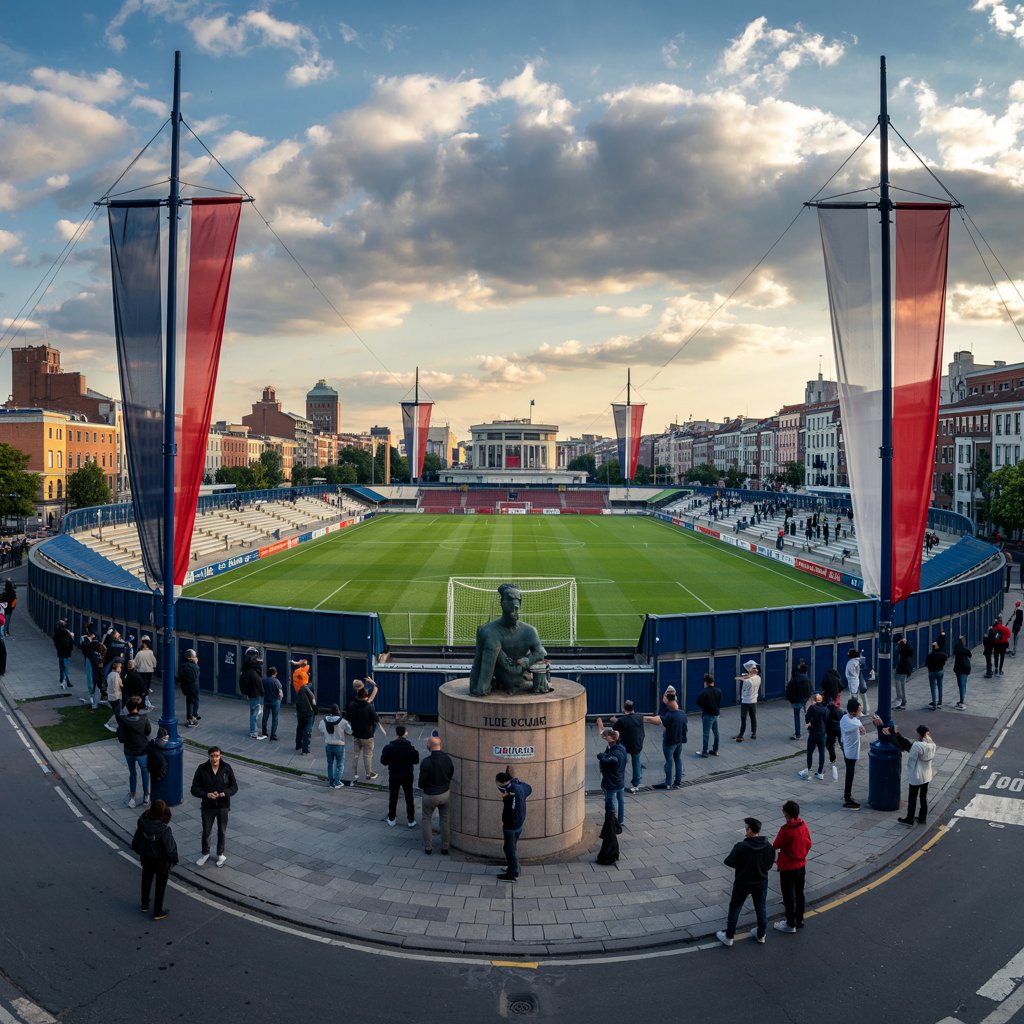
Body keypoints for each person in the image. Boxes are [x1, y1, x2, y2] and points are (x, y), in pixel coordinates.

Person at [469, 584, 548, 696]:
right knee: (491, 638)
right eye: (510, 599)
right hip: (500, 677)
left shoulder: (529, 631)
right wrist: (473, 687)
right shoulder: (487, 630)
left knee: (491, 637)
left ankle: (483, 688)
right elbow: (477, 662)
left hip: (519, 677)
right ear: (502, 603)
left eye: (518, 600)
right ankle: (483, 687)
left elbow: (541, 652)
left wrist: (527, 661)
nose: (515, 604)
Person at [716, 816, 776, 947]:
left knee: (735, 908)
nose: (745, 829)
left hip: (742, 883)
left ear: (749, 830)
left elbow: (729, 861)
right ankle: (761, 934)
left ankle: (729, 937)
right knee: (760, 907)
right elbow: (770, 863)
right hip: (761, 882)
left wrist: (743, 865)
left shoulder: (741, 846)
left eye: (746, 827)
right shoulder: (768, 846)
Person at [131, 798, 178, 921]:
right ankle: (158, 911)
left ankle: (145, 904)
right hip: (161, 862)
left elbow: (136, 840)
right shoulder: (164, 829)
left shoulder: (143, 822)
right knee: (160, 885)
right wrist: (174, 859)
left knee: (146, 879)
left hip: (146, 857)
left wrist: (139, 850)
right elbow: (170, 848)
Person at [190, 746, 238, 867]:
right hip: (208, 806)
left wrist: (224, 793)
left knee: (222, 831)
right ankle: (205, 853)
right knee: (206, 831)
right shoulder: (202, 769)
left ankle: (220, 853)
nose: (215, 758)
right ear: (209, 756)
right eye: (212, 756)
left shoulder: (226, 768)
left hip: (223, 806)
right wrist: (206, 795)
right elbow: (194, 789)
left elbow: (234, 786)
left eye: (217, 756)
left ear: (220, 755)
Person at [772, 800, 812, 933]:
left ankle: (790, 924)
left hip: (788, 868)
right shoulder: (803, 825)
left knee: (788, 897)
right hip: (801, 866)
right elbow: (809, 843)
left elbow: (776, 844)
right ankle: (799, 920)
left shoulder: (785, 830)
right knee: (800, 894)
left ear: (787, 814)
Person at [418, 734, 455, 855]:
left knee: (426, 818)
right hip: (445, 793)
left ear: (429, 746)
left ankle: (428, 847)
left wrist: (426, 788)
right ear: (440, 745)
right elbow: (450, 774)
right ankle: (445, 847)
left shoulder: (426, 762)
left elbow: (421, 782)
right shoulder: (447, 759)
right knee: (444, 819)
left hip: (430, 795)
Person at [643, 695, 687, 789]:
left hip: (670, 742)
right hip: (679, 742)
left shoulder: (669, 715)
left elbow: (661, 722)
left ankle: (668, 783)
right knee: (678, 760)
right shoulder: (682, 713)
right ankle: (678, 782)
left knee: (669, 762)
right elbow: (685, 728)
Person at [380, 724, 419, 828]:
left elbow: (383, 761)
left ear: (396, 733)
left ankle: (392, 819)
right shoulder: (410, 747)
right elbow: (416, 761)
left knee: (393, 797)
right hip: (407, 775)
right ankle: (411, 820)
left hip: (394, 775)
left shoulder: (389, 747)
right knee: (409, 797)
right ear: (405, 733)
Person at [496, 771, 531, 882]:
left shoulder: (509, 795)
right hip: (519, 824)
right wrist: (516, 781)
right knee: (513, 847)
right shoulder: (519, 788)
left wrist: (505, 798)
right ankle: (513, 867)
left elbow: (510, 808)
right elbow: (529, 788)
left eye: (498, 783)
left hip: (510, 827)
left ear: (504, 782)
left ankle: (513, 873)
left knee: (509, 849)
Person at [117, 695, 152, 808]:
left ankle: (132, 797)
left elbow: (121, 738)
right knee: (145, 771)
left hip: (129, 750)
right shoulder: (144, 718)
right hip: (142, 749)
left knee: (132, 772)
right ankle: (146, 795)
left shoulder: (123, 719)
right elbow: (148, 732)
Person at [898, 725, 936, 825]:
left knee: (912, 798)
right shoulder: (932, 745)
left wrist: (909, 771)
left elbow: (911, 761)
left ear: (919, 734)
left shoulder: (916, 746)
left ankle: (909, 819)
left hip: (916, 776)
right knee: (923, 797)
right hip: (927, 775)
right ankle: (922, 818)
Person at [594, 725, 627, 831]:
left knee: (611, 803)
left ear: (611, 740)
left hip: (612, 783)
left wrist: (601, 756)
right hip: (620, 780)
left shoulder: (614, 754)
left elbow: (609, 760)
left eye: (606, 738)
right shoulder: (622, 748)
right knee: (620, 800)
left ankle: (613, 822)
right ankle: (620, 821)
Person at [346, 682, 381, 782]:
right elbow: (376, 719)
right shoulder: (369, 707)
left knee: (356, 754)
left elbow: (348, 717)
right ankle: (368, 773)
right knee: (367, 755)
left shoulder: (352, 704)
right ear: (366, 696)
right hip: (367, 735)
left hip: (356, 733)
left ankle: (355, 773)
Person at [608, 700, 645, 791]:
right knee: (636, 761)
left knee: (622, 763)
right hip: (637, 743)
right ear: (633, 708)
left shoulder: (621, 721)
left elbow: (615, 731)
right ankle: (637, 782)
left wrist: (614, 720)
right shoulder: (639, 717)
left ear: (624, 709)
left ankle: (620, 782)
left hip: (626, 745)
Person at [840, 698, 866, 808]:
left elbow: (859, 724)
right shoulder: (851, 722)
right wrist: (860, 726)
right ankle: (847, 797)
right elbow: (858, 725)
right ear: (852, 712)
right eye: (859, 711)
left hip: (848, 748)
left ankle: (848, 795)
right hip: (850, 751)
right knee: (850, 774)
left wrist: (860, 726)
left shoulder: (846, 718)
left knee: (850, 773)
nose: (860, 713)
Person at [318, 704, 351, 788]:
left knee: (330, 763)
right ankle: (337, 782)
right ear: (338, 711)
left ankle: (331, 782)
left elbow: (320, 729)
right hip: (339, 746)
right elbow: (350, 731)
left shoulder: (324, 720)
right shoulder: (342, 721)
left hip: (329, 745)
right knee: (340, 765)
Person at [799, 692, 829, 780]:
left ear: (814, 701)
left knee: (810, 752)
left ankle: (808, 769)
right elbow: (826, 720)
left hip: (813, 733)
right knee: (821, 752)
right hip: (822, 733)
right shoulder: (825, 709)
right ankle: (820, 772)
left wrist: (810, 722)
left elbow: (807, 719)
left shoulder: (812, 708)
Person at [239, 647, 266, 740]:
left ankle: (254, 730)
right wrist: (263, 693)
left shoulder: (245, 671)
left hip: (250, 695)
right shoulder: (253, 673)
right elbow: (260, 685)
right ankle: (254, 732)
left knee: (253, 713)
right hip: (256, 696)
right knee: (255, 714)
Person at [695, 673, 722, 757]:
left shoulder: (704, 692)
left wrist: (705, 707)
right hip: (716, 714)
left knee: (706, 733)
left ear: (705, 682)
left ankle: (705, 751)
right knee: (716, 733)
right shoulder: (718, 691)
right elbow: (719, 702)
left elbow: (698, 702)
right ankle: (715, 750)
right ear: (713, 682)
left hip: (707, 715)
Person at [734, 660, 760, 741]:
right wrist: (747, 676)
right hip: (754, 700)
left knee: (743, 718)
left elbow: (742, 681)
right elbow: (750, 677)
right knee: (753, 717)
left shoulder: (747, 681)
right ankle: (754, 733)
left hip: (745, 701)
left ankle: (741, 733)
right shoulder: (759, 678)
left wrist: (743, 678)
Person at [294, 664, 317, 754]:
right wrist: (315, 710)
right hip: (308, 712)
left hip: (300, 712)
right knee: (307, 730)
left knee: (299, 728)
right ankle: (305, 749)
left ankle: (298, 745)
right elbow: (313, 699)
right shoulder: (307, 687)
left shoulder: (297, 687)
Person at [785, 660, 811, 740]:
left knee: (797, 717)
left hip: (797, 700)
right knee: (807, 714)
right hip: (805, 699)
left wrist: (791, 700)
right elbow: (810, 689)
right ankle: (811, 729)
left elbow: (789, 689)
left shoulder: (795, 679)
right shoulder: (807, 679)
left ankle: (798, 734)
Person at [178, 649, 201, 727]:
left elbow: (180, 676)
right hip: (194, 687)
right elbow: (196, 675)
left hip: (186, 687)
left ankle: (189, 718)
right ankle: (194, 716)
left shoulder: (183, 666)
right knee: (196, 701)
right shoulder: (195, 666)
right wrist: (196, 664)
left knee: (189, 701)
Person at [261, 665, 284, 740]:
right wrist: (280, 699)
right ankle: (273, 735)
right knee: (275, 718)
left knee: (265, 717)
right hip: (275, 701)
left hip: (266, 700)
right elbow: (280, 694)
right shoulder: (277, 681)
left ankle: (264, 732)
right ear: (274, 673)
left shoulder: (264, 680)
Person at [53, 619, 75, 690]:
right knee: (65, 667)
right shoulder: (67, 632)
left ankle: (65, 681)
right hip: (66, 653)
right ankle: (64, 681)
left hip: (60, 652)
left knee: (62, 667)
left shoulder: (57, 633)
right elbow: (71, 641)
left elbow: (55, 641)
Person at [925, 641, 947, 710]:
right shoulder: (943, 655)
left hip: (932, 672)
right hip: (940, 671)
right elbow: (945, 661)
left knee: (933, 688)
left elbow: (927, 664)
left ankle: (934, 703)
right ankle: (940, 702)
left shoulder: (930, 655)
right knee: (940, 687)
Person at [952, 635, 972, 709]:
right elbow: (970, 655)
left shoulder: (956, 648)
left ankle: (962, 703)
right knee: (963, 685)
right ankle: (961, 700)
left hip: (959, 668)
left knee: (961, 686)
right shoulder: (965, 649)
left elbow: (954, 653)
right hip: (966, 667)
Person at [894, 635, 913, 710]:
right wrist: (906, 643)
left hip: (901, 671)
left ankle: (899, 701)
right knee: (902, 687)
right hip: (906, 671)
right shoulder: (909, 652)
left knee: (899, 687)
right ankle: (903, 701)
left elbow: (898, 650)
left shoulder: (904, 652)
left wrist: (899, 644)